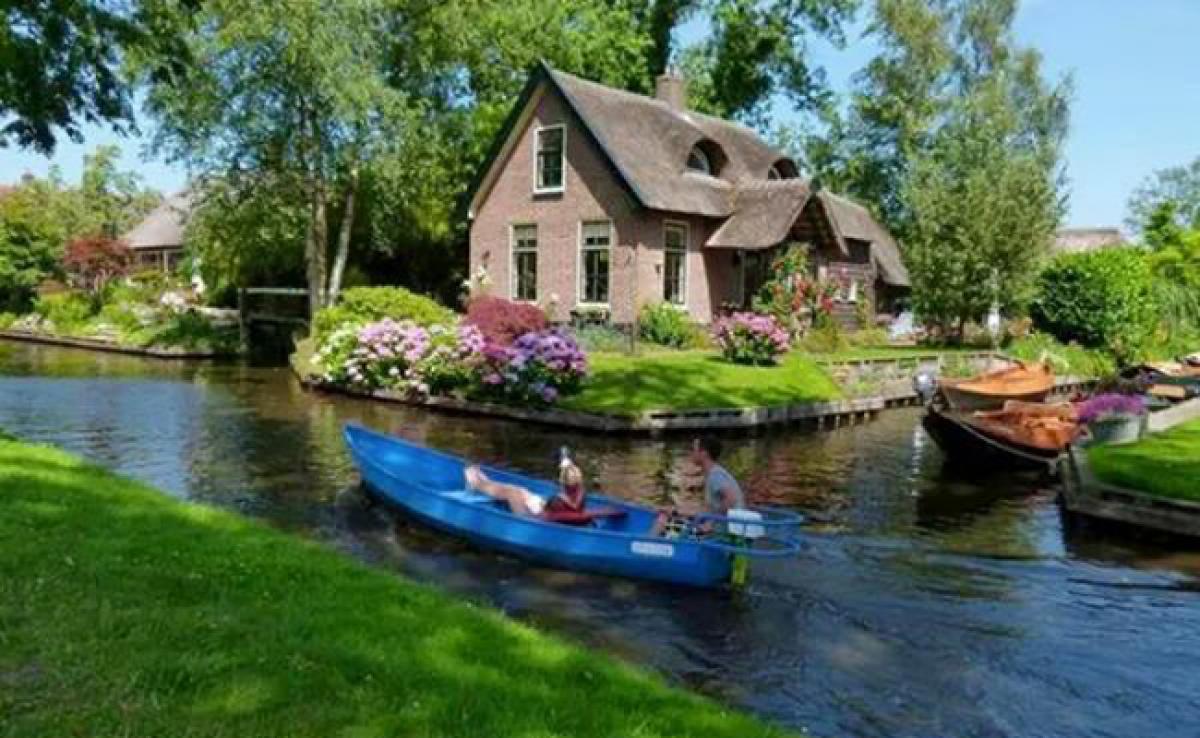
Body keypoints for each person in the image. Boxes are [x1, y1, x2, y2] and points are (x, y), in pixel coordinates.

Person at [650, 436, 745, 537]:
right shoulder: (714, 472)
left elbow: (731, 499)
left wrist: (711, 523)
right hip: (722, 526)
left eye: (693, 449)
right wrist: (675, 511)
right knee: (669, 516)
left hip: (722, 531)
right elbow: (706, 510)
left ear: (704, 454)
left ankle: (644, 546)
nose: (690, 453)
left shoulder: (715, 476)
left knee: (663, 519)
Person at [464, 457, 586, 518]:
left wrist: (543, 506)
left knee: (512, 491)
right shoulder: (579, 494)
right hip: (541, 508)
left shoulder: (563, 499)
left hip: (535, 516)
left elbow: (551, 516)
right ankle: (485, 482)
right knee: (520, 490)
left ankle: (478, 483)